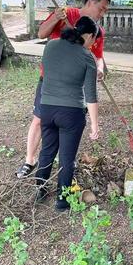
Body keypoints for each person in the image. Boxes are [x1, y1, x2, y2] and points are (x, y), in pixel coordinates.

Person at [16, 0, 111, 178]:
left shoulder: (98, 31)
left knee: (70, 120)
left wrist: (99, 68)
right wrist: (54, 19)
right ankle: (29, 160)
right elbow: (42, 33)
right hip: (50, 80)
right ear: (90, 2)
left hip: (75, 83)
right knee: (40, 119)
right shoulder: (66, 14)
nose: (102, 14)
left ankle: (66, 161)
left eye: (104, 11)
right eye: (101, 9)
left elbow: (98, 56)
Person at [35, 16, 100, 212]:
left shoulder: (51, 46)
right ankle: (62, 201)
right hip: (71, 113)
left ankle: (40, 189)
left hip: (46, 108)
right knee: (66, 157)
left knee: (47, 149)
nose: (93, 43)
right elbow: (90, 94)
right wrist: (95, 125)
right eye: (93, 39)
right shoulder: (87, 57)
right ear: (87, 35)